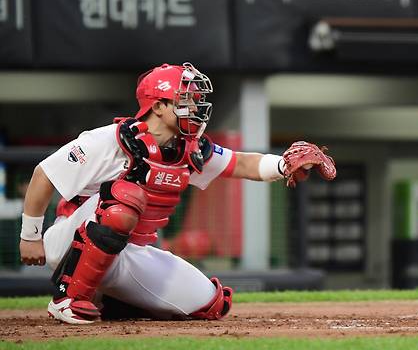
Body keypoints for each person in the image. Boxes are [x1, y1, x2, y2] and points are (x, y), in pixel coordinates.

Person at [19, 62, 336, 324]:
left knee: (211, 305)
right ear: (158, 106)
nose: (195, 106)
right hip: (70, 241)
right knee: (125, 198)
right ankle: (69, 297)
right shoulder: (112, 139)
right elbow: (44, 173)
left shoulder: (189, 149)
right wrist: (30, 236)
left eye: (195, 99)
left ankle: (116, 302)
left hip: (131, 251)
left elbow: (241, 164)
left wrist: (284, 165)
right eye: (185, 100)